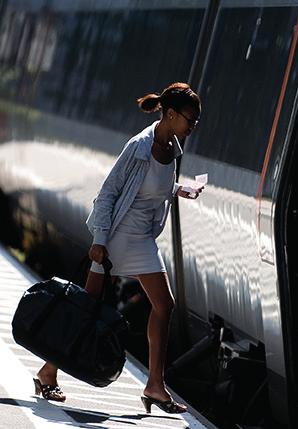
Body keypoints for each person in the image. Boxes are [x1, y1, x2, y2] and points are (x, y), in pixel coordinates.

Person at [33, 82, 203, 413]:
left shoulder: (172, 147)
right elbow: (110, 192)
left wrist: (180, 189)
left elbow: (153, 185)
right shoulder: (139, 146)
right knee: (87, 308)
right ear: (169, 114)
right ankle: (47, 371)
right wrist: (99, 241)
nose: (193, 126)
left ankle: (155, 384)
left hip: (141, 239)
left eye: (196, 120)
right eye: (190, 119)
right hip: (116, 237)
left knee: (163, 306)